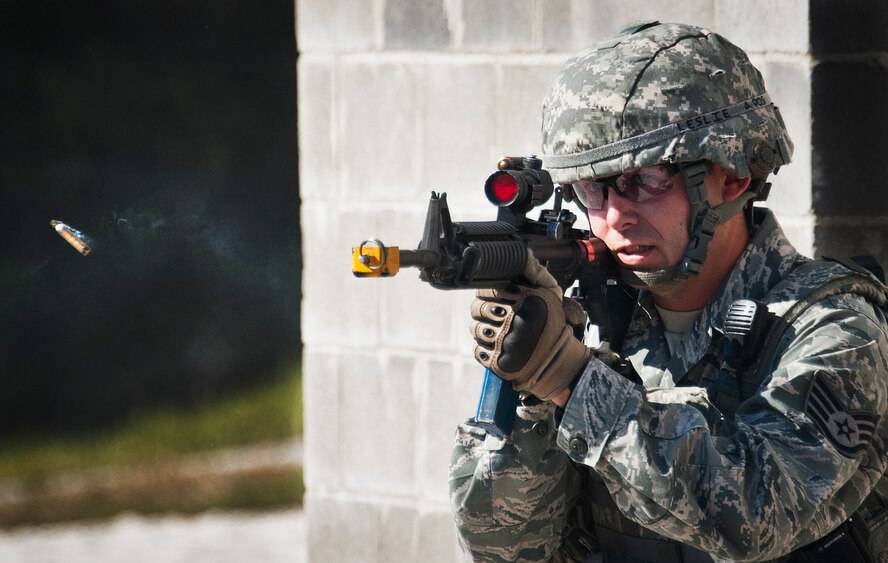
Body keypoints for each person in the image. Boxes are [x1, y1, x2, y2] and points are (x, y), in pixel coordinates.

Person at [450, 21, 888, 562]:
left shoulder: (835, 327)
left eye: (646, 179)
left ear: (732, 176)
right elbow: (504, 548)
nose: (613, 215)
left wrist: (572, 381)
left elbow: (757, 513)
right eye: (592, 187)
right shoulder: (592, 322)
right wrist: (531, 397)